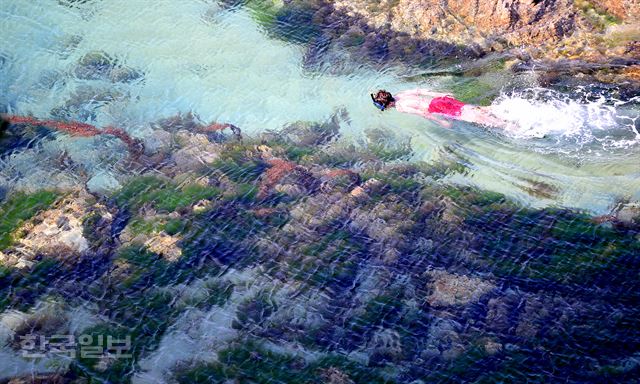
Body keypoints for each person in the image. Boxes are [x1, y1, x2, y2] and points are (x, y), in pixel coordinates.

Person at [370, 89, 506, 128]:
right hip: (438, 99)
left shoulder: (400, 107)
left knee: (473, 118)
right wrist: (441, 94)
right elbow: (420, 90)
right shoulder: (401, 94)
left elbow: (423, 113)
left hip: (436, 106)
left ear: (387, 104)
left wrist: (442, 122)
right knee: (471, 109)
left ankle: (507, 126)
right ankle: (503, 108)